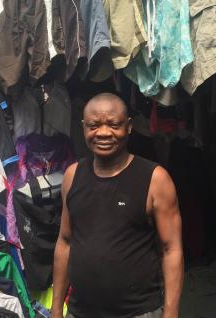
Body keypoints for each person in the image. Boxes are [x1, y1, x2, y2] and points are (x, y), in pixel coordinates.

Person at [52, 93, 183, 318]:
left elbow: (171, 249)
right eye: (94, 125)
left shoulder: (155, 179)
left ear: (129, 126)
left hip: (137, 312)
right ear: (83, 127)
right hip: (80, 312)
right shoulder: (72, 176)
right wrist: (56, 310)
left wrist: (170, 314)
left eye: (113, 125)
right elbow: (65, 242)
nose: (103, 133)